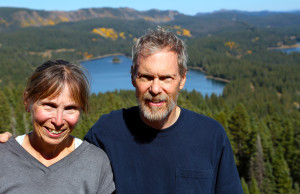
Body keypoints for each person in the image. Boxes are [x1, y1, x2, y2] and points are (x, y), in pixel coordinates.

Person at [1, 28, 243, 193]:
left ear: (182, 79)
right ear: (132, 77)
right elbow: (64, 159)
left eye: (166, 78)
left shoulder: (211, 136)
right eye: (146, 77)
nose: (155, 88)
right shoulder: (107, 132)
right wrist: (11, 147)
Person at [0, 60, 115, 194]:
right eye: (49, 106)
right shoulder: (4, 157)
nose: (58, 121)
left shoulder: (95, 162)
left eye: (70, 108)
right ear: (27, 101)